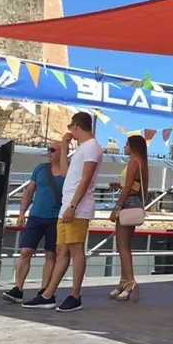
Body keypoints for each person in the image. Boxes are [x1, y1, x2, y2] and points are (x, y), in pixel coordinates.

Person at [22, 112, 103, 312]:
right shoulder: (83, 148)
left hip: (77, 208)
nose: (70, 132)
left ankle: (75, 295)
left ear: (76, 126)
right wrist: (65, 148)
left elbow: (85, 180)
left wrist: (73, 206)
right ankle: (48, 294)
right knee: (61, 251)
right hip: (68, 206)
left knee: (76, 251)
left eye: (71, 127)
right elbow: (68, 173)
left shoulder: (92, 147)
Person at [2, 142, 65, 304]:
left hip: (55, 219)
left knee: (51, 255)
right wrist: (22, 213)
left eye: (52, 150)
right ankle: (18, 289)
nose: (49, 152)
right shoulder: (40, 168)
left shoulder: (68, 172)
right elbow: (29, 191)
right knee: (25, 252)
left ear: (62, 152)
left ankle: (44, 290)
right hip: (36, 216)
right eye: (48, 149)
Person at [107, 136, 149, 301]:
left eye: (126, 144)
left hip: (128, 204)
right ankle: (123, 280)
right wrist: (119, 186)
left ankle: (130, 281)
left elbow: (127, 189)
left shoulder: (134, 163)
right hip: (134, 201)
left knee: (123, 245)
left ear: (133, 146)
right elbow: (134, 186)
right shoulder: (141, 163)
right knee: (124, 244)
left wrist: (116, 209)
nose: (124, 147)